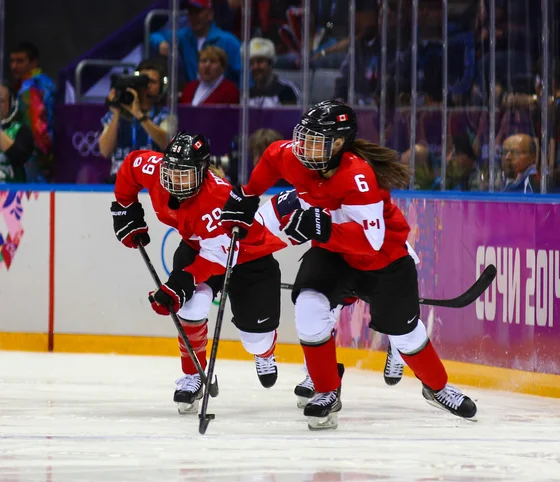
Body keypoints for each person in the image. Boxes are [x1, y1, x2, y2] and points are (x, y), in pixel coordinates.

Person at [220, 100, 477, 430]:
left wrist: (321, 226)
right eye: (303, 138)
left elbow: (369, 243)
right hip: (333, 254)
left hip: (382, 258)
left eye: (314, 141)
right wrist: (246, 194)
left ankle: (438, 387)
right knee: (309, 307)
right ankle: (327, 390)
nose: (302, 148)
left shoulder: (358, 177)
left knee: (406, 333)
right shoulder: (293, 157)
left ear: (339, 144)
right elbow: (271, 157)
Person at [110, 132, 285, 414]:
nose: (174, 180)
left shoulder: (217, 199)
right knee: (190, 306)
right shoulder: (155, 171)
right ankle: (193, 375)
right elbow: (131, 166)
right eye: (172, 171)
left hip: (245, 256)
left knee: (255, 339)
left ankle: (265, 352)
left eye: (185, 174)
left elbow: (216, 258)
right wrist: (124, 207)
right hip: (199, 247)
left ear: (202, 172)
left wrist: (181, 282)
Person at [99, 60, 171, 182]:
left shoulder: (164, 115)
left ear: (161, 86)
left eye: (152, 82)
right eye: (142, 81)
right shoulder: (113, 115)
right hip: (119, 178)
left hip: (153, 180)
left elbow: (167, 144)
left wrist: (139, 115)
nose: (147, 86)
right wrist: (116, 113)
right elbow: (105, 151)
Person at [150, 0, 241, 86]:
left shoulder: (228, 41)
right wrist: (160, 43)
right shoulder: (184, 36)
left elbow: (244, 72)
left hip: (222, 98)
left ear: (210, 14)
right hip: (195, 96)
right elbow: (153, 35)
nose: (193, 17)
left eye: (198, 12)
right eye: (191, 12)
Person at [9, 42, 56, 182]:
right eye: (12, 61)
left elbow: (37, 130)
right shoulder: (41, 82)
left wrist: (43, 157)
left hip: (33, 154)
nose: (14, 66)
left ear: (34, 63)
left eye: (20, 61)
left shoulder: (31, 88)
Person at [247, 38, 300, 108]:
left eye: (259, 61)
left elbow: (291, 117)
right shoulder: (248, 93)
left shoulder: (286, 90)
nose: (255, 67)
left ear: (270, 63)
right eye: (251, 63)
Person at [0, 82, 34, 183]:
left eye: (0, 101)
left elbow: (19, 157)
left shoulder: (21, 130)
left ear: (11, 104)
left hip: (13, 193)